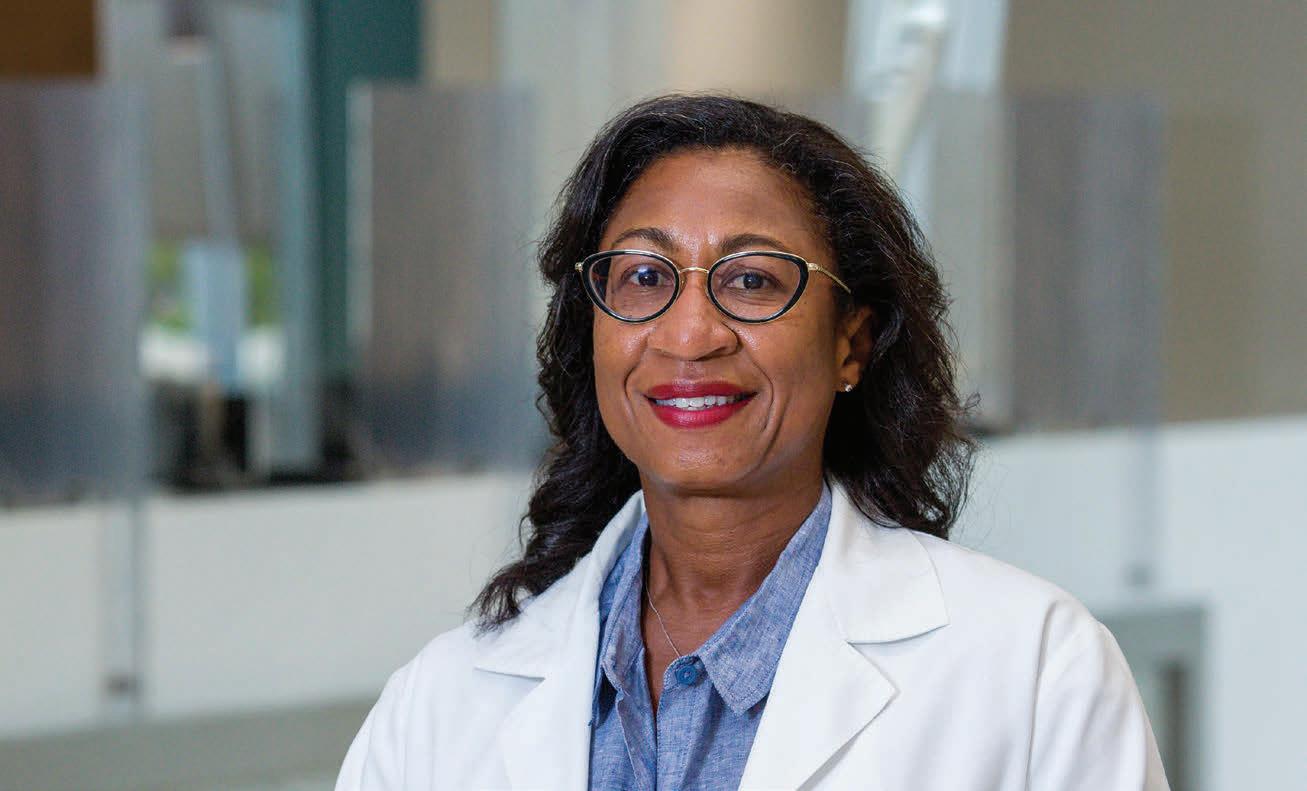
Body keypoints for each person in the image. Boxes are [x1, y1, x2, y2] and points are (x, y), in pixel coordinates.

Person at [334, 94, 1170, 790]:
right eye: (644, 277)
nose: (689, 334)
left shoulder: (1032, 669)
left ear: (850, 344)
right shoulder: (441, 705)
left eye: (751, 280)